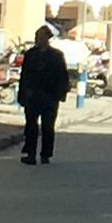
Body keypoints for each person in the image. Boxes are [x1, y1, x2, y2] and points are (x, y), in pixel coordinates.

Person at [17, 26, 70, 165]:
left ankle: (46, 154)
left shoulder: (56, 56)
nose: (39, 39)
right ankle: (31, 153)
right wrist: (22, 95)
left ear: (47, 38)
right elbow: (24, 76)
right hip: (32, 96)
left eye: (41, 37)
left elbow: (63, 77)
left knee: (48, 127)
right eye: (37, 37)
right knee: (31, 126)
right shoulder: (30, 55)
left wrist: (61, 94)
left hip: (49, 96)